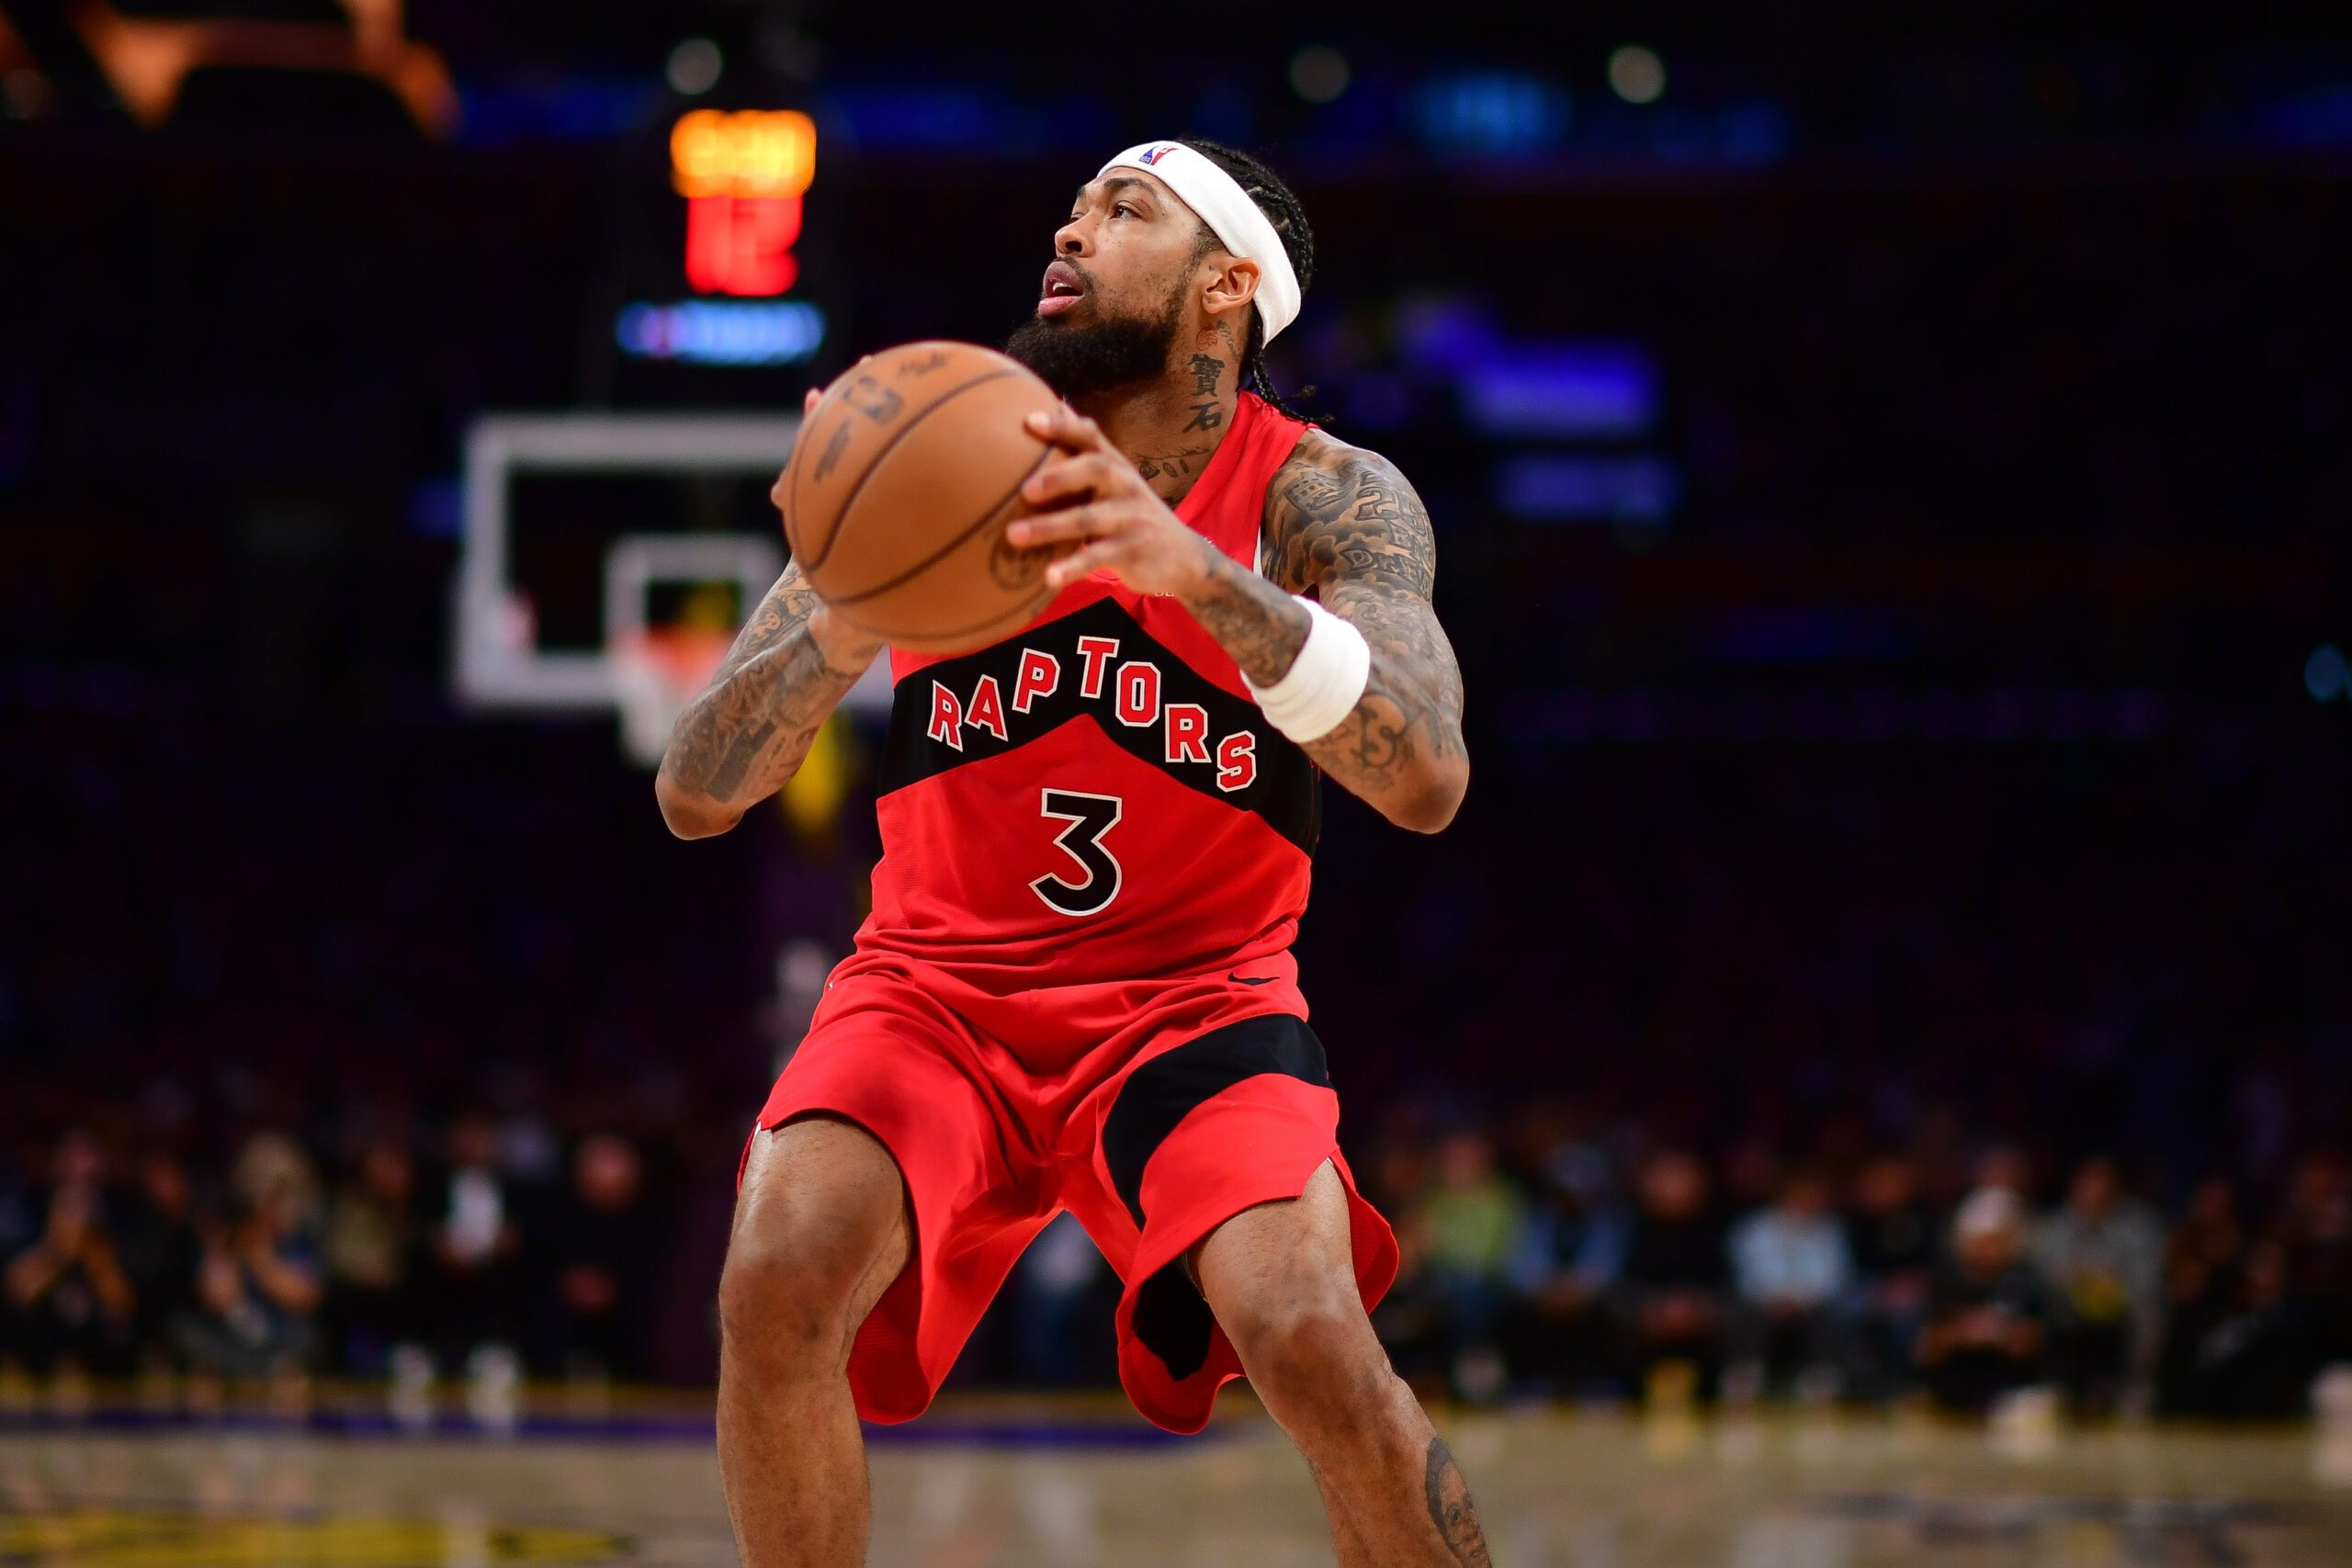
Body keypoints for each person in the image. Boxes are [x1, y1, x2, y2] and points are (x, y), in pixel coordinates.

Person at [656, 139, 1483, 1566]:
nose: (1070, 224)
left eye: (1125, 208)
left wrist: (1196, 574)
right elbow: (695, 792)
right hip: (934, 990)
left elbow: (1425, 774)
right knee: (776, 1271)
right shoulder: (942, 440)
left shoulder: (1323, 497)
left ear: (1227, 288)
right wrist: (845, 608)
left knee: (1310, 1334)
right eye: (1077, 203)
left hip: (1197, 998)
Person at [2031, 1156, 2165, 1415]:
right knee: (2041, 1301)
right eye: (2088, 1183)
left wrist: (2111, 1287)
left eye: (2102, 1182)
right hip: (2070, 1303)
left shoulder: (2139, 1225)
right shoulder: (2056, 1225)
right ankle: (2054, 1388)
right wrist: (2081, 1280)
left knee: (2150, 1307)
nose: (2095, 1189)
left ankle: (2136, 1389)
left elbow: (2147, 1276)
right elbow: (2048, 1270)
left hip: (2122, 1302)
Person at [1918, 1187, 2058, 1414]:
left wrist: (2001, 1332)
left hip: (2012, 1391)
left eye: (1997, 1241)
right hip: (1954, 1390)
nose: (1989, 1250)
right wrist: (1966, 1332)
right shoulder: (1947, 1281)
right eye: (1983, 1241)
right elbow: (1926, 1346)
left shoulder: (2027, 1279)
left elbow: (2040, 1339)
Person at [1726, 1167, 1853, 1402]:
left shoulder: (1829, 1231)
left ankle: (1821, 1379)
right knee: (1742, 1312)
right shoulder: (1755, 1228)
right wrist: (1776, 1298)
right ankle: (1744, 1377)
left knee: (1833, 1312)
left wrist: (1799, 1299)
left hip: (1812, 1305)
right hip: (1764, 1303)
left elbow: (1833, 1278)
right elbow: (1749, 1275)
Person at [1614, 1150, 1730, 1401]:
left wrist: (1695, 1309)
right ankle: (1616, 1390)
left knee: (1732, 1313)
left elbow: (1723, 1283)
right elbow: (1626, 1281)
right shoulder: (1633, 1229)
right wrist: (1655, 1309)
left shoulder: (1713, 1231)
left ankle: (1727, 1388)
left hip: (1698, 1315)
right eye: (1666, 1179)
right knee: (1617, 1310)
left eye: (1681, 1179)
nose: (1674, 1188)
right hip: (1649, 1314)